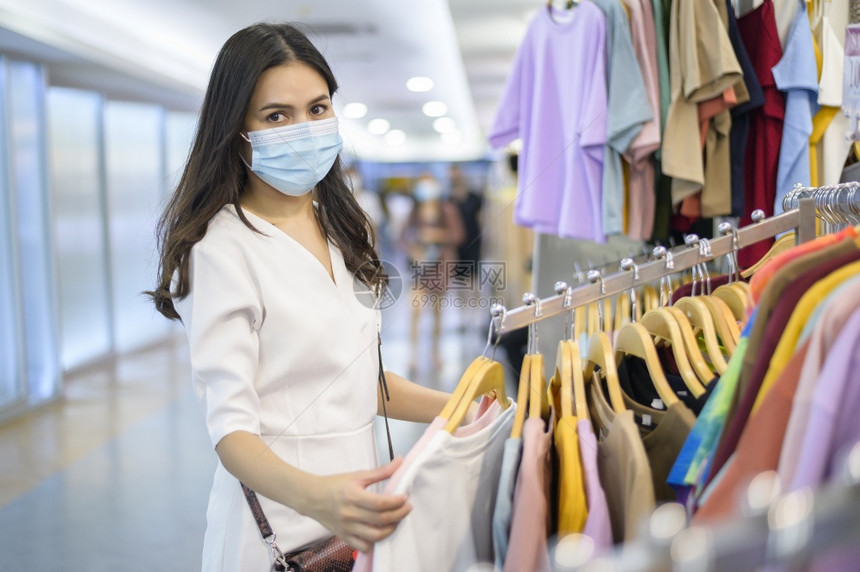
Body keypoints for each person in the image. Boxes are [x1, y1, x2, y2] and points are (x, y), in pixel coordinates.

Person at [146, 23, 462, 572]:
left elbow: (363, 381)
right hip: (277, 535)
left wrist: (470, 408)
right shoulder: (222, 249)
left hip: (359, 519)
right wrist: (320, 496)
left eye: (317, 109)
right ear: (237, 130)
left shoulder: (345, 227)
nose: (304, 127)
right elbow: (231, 432)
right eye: (276, 116)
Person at [401, 173, 465, 373]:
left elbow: (458, 235)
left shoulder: (447, 209)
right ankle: (413, 355)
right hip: (421, 267)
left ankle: (435, 353)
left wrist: (435, 235)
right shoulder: (414, 211)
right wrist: (414, 250)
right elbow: (402, 237)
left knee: (437, 313)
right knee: (416, 309)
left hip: (441, 267)